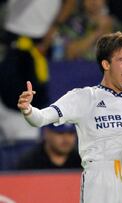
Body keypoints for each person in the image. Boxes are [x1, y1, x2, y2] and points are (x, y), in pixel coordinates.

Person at [17, 32, 122, 203]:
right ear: (106, 64)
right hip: (100, 180)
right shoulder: (84, 97)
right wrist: (28, 109)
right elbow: (40, 118)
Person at [0, 0, 76, 140]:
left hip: (41, 39)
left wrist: (54, 28)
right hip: (11, 34)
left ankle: (26, 139)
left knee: (31, 98)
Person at [17, 123, 81, 170]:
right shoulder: (30, 162)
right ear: (46, 133)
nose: (66, 139)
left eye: (71, 133)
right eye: (60, 133)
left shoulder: (82, 160)